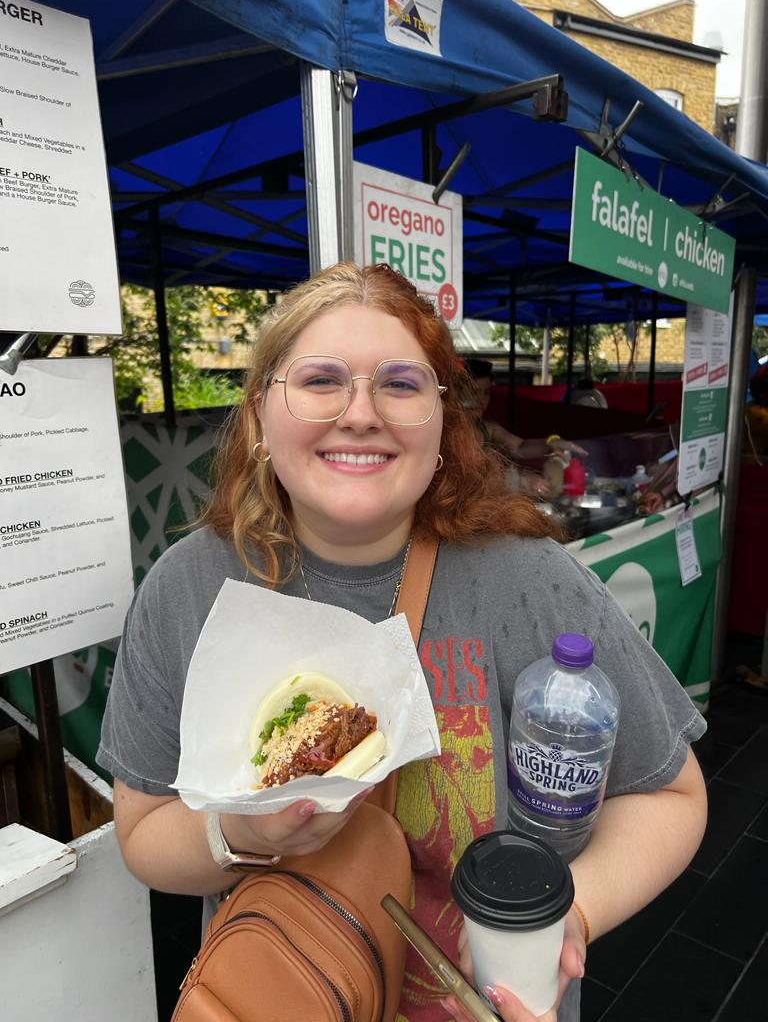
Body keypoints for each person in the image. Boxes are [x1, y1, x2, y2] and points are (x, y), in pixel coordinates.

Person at [97, 263, 707, 1022]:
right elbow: (144, 834)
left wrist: (568, 915)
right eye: (320, 379)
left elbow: (672, 794)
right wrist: (244, 828)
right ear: (259, 415)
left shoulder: (529, 577)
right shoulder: (188, 588)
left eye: (400, 383)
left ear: (443, 423)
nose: (361, 414)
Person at [463, 358, 587, 498]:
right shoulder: (445, 431)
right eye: (473, 392)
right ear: (456, 391)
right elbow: (468, 478)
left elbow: (520, 446)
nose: (480, 400)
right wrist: (521, 480)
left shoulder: (487, 428)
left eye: (486, 393)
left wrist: (551, 443)